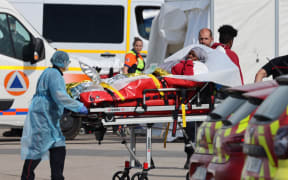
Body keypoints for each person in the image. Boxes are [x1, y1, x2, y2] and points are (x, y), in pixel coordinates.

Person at [20, 51, 88, 180]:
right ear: (62, 62)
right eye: (66, 62)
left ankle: (57, 177)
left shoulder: (49, 72)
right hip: (43, 117)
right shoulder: (55, 75)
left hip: (49, 116)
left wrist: (64, 107)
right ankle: (26, 177)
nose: (67, 64)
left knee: (59, 146)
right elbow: (60, 96)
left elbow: (56, 95)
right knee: (38, 148)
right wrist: (78, 106)